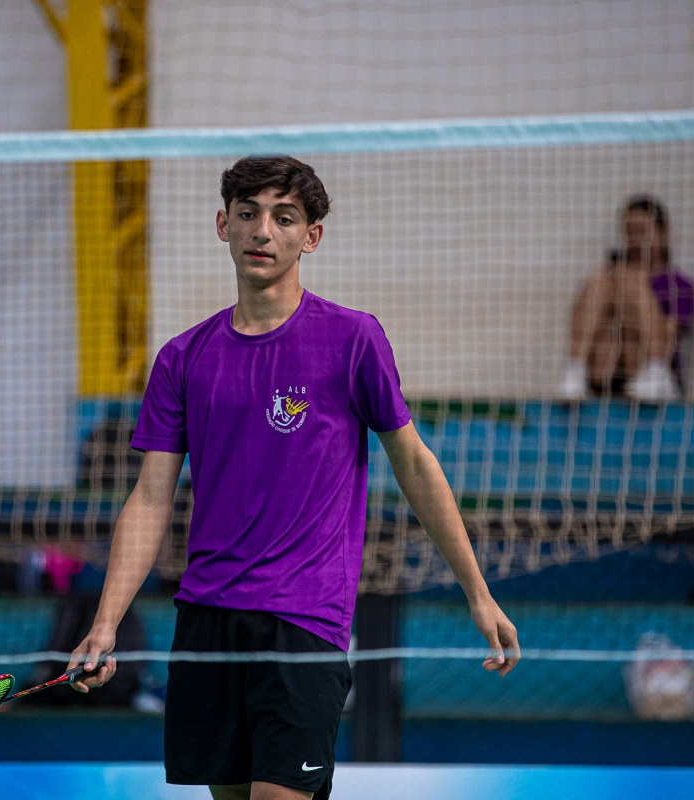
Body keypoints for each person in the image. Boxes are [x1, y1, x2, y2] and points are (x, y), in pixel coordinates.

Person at [66, 156, 520, 800]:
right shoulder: (182, 358)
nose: (263, 231)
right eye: (248, 214)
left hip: (304, 619)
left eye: (284, 218)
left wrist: (478, 592)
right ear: (223, 225)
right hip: (207, 618)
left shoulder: (353, 339)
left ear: (312, 236)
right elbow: (150, 498)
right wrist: (106, 621)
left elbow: (415, 463)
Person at [561, 196, 694, 400]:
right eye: (630, 233)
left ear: (662, 231)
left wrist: (634, 296)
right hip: (606, 371)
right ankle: (574, 372)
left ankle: (656, 372)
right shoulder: (609, 280)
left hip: (643, 364)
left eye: (643, 231)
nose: (636, 240)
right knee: (598, 282)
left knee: (631, 281)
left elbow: (670, 334)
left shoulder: (678, 284)